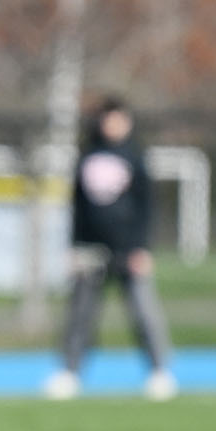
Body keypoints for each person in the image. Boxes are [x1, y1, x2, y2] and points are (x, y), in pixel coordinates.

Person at [43, 97, 177, 401]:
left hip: (128, 248)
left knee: (142, 311)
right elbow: (77, 206)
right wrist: (74, 246)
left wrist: (141, 247)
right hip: (90, 248)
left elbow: (147, 206)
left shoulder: (135, 157)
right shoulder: (87, 156)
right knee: (80, 314)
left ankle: (159, 370)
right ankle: (70, 372)